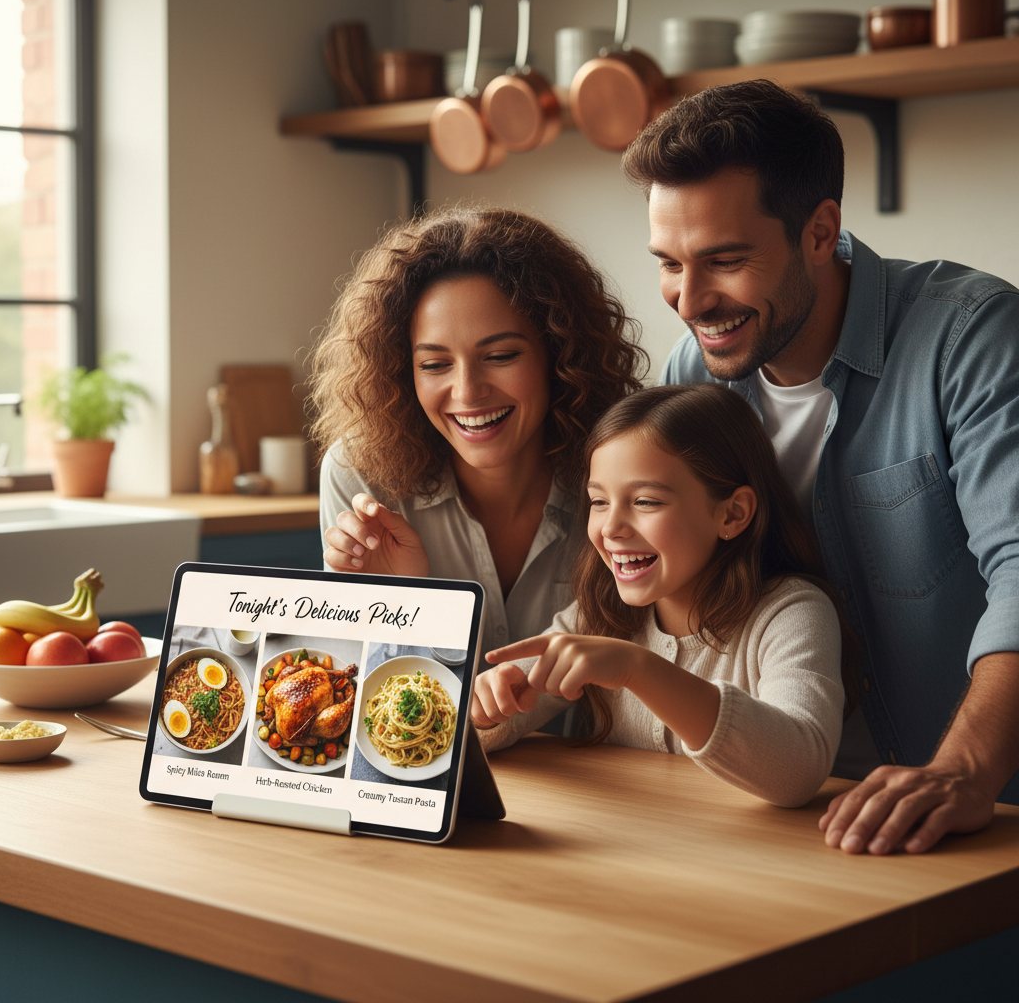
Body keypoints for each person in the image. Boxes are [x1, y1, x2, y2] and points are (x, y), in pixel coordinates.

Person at [621, 78, 1019, 853]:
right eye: (669, 263)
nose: (690, 301)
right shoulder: (691, 376)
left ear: (819, 231)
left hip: (982, 817)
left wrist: (966, 769)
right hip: (787, 814)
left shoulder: (972, 337)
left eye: (724, 260)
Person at [471, 384, 849, 807]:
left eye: (646, 501)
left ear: (733, 513)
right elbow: (487, 725)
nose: (611, 528)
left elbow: (798, 770)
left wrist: (638, 669)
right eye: (599, 501)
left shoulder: (792, 614)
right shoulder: (598, 614)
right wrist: (487, 709)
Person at [307, 206, 646, 657]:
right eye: (434, 364)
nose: (467, 392)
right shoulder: (360, 477)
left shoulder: (629, 471)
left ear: (560, 354)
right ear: (403, 372)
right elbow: (359, 682)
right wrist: (405, 608)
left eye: (501, 356)